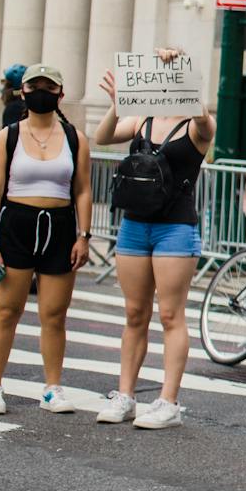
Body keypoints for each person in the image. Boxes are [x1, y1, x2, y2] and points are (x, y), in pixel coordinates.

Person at [92, 49, 215, 430]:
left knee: (169, 314)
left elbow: (204, 120)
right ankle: (125, 395)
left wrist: (181, 64)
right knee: (134, 313)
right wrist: (117, 104)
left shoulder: (196, 126)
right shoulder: (142, 119)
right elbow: (103, 136)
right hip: (134, 224)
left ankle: (168, 401)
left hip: (175, 227)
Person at [0, 64, 91, 416]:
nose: (42, 91)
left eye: (48, 86)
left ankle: (52, 388)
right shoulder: (7, 137)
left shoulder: (74, 138)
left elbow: (83, 190)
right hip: (16, 226)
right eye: (35, 86)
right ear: (23, 92)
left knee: (54, 315)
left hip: (60, 226)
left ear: (60, 94)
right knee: (7, 311)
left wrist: (83, 236)